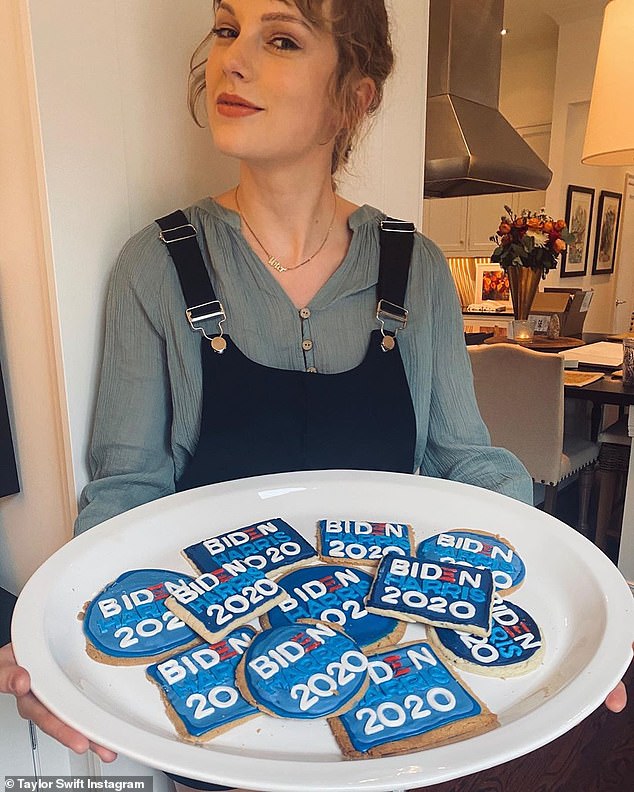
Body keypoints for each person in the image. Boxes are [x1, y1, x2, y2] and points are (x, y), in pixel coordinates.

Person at [0, 1, 629, 789]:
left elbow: (471, 466)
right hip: (227, 705)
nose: (232, 60)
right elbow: (126, 495)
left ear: (354, 96)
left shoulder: (416, 267)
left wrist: (552, 603)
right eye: (228, 29)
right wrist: (70, 646)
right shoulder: (155, 266)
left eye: (283, 40)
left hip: (391, 683)